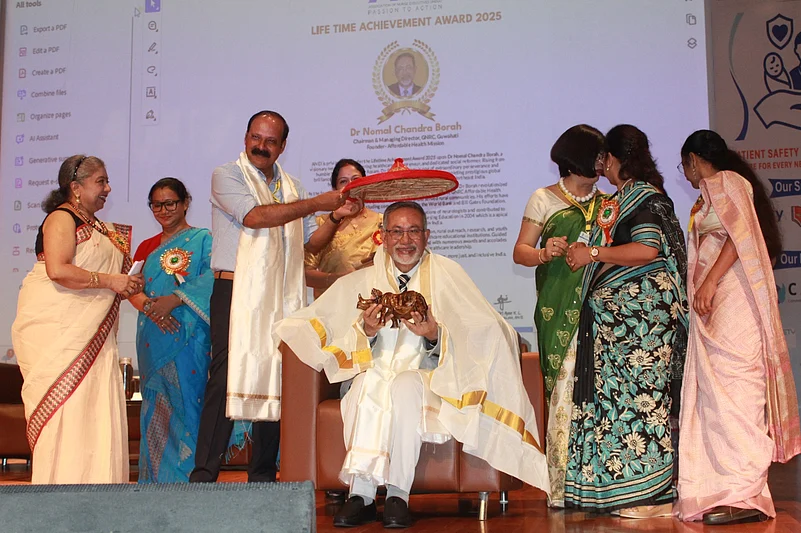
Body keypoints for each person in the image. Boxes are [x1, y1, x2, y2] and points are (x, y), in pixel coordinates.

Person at [276, 201, 549, 528]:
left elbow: (486, 328)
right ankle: (360, 496)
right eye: (397, 232)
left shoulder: (448, 274)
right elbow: (330, 328)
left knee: (404, 386)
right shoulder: (365, 279)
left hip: (429, 379)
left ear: (427, 235)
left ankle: (397, 494)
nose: (405, 240)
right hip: (375, 372)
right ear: (384, 237)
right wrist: (368, 331)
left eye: (413, 231)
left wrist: (435, 334)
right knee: (367, 385)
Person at [189, 110, 352, 483]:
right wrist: (316, 204)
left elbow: (311, 242)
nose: (261, 146)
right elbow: (254, 216)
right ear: (245, 138)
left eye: (270, 141)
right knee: (225, 376)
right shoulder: (226, 175)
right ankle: (203, 476)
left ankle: (262, 475)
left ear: (282, 146)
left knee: (278, 376)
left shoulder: (292, 186)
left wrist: (336, 217)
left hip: (281, 294)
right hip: (235, 291)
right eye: (255, 138)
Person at [674, 130, 801, 525]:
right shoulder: (714, 188)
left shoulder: (727, 182)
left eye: (685, 165)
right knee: (717, 397)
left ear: (695, 159)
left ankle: (745, 495)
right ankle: (722, 490)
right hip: (717, 305)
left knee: (738, 392)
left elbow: (739, 236)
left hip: (734, 299)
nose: (686, 173)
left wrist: (709, 280)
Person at [564, 125, 688, 518]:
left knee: (643, 405)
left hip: (641, 324)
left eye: (603, 160)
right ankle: (628, 492)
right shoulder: (625, 198)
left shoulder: (644, 197)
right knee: (621, 406)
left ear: (614, 158)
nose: (599, 168)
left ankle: (652, 498)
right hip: (621, 327)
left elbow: (648, 249)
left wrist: (593, 253)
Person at [12, 155, 143, 484]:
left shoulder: (102, 229)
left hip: (93, 340)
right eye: (100, 181)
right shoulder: (60, 218)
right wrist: (111, 281)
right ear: (75, 187)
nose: (108, 188)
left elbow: (109, 276)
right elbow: (58, 270)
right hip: (60, 335)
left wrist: (127, 283)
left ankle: (96, 500)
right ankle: (60, 499)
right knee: (67, 416)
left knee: (91, 416)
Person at [513, 124, 605, 507]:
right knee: (565, 388)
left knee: (599, 391)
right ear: (577, 157)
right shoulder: (543, 199)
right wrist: (545, 252)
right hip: (557, 308)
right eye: (597, 154)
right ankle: (563, 486)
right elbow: (521, 252)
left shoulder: (611, 202)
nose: (603, 161)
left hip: (602, 308)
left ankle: (600, 482)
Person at [127, 178, 218, 483]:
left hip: (189, 339)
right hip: (153, 338)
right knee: (157, 411)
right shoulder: (147, 247)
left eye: (170, 203)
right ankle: (156, 483)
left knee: (188, 408)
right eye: (157, 204)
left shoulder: (203, 239)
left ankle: (188, 480)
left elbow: (213, 278)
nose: (163, 210)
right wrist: (152, 308)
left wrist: (174, 300)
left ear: (185, 203)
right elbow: (131, 289)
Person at [306, 159, 383, 299]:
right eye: (343, 181)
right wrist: (338, 279)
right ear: (335, 190)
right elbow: (305, 274)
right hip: (332, 305)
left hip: (374, 306)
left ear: (365, 186)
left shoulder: (383, 222)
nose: (350, 186)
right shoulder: (321, 223)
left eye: (355, 180)